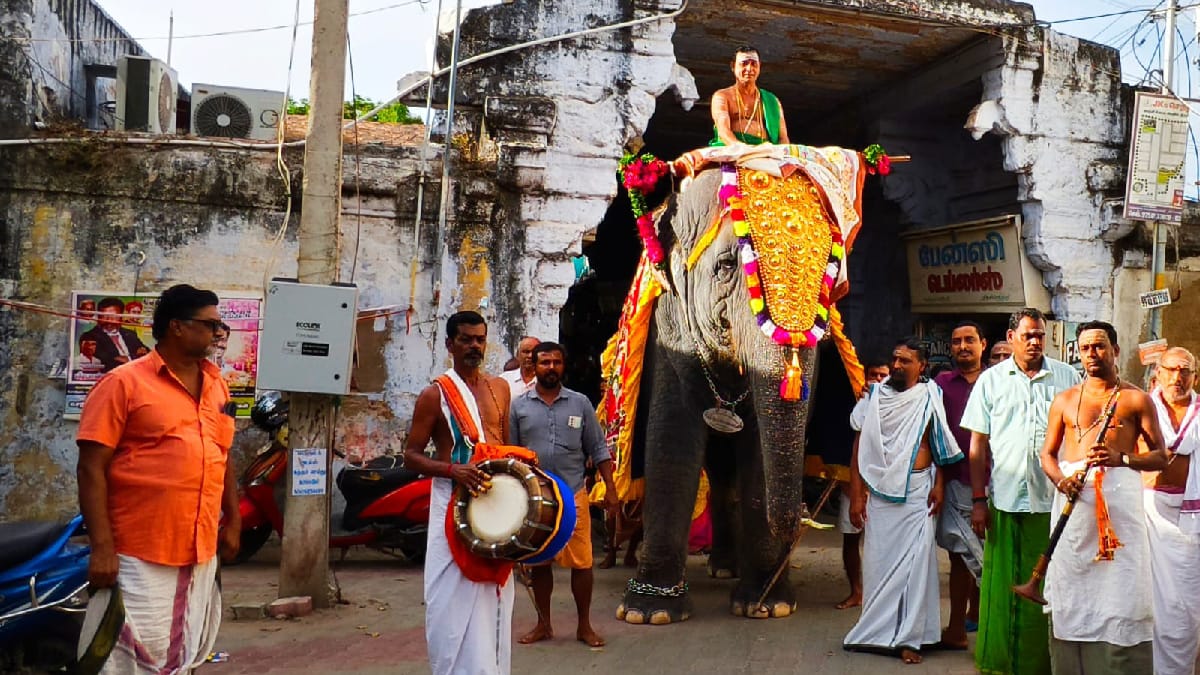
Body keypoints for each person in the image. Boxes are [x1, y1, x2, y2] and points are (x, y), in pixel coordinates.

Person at [75, 284, 239, 672]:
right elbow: (90, 467)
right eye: (210, 324)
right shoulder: (123, 383)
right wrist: (102, 547)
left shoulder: (217, 384)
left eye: (220, 324)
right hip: (140, 550)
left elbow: (222, 453)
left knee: (183, 653)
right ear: (176, 327)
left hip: (200, 547)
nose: (218, 333)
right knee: (131, 656)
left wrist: (234, 520)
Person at [1039, 321, 1167, 674]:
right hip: (1074, 512)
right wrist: (1061, 480)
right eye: (1085, 349)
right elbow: (1047, 454)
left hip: (1120, 513)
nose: (1092, 354)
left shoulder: (1135, 399)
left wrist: (1121, 459)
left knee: (1121, 591)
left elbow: (1161, 456)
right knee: (1072, 591)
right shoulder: (1064, 400)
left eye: (1099, 346)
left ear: (1115, 350)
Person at [961, 308, 1080, 675]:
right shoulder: (991, 380)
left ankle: (1044, 665)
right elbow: (978, 447)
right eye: (1027, 335)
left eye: (1040, 335)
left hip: (1052, 502)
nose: (1034, 341)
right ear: (1011, 338)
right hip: (1005, 500)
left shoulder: (1067, 377)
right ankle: (997, 662)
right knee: (1000, 588)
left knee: (1050, 584)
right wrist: (979, 502)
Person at [402, 311, 514, 675]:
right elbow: (411, 456)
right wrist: (453, 470)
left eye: (480, 339)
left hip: (495, 507)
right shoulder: (435, 395)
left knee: (495, 603)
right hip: (451, 504)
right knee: (450, 607)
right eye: (465, 339)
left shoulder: (500, 388)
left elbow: (504, 445)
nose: (474, 346)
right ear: (450, 344)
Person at [844, 338, 963, 665]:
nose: (897, 366)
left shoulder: (930, 396)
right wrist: (856, 494)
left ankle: (912, 637)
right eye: (895, 359)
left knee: (916, 566)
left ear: (921, 366)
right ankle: (875, 633)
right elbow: (859, 447)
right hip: (880, 493)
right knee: (879, 563)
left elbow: (938, 443)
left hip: (918, 493)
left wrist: (939, 485)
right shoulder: (874, 396)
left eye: (905, 361)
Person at [509, 342, 618, 648]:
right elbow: (511, 454)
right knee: (540, 563)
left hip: (573, 494)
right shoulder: (519, 406)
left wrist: (611, 489)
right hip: (535, 498)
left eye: (557, 362)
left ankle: (585, 626)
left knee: (582, 563)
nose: (551, 368)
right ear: (534, 365)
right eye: (545, 362)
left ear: (563, 366)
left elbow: (598, 449)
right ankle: (543, 625)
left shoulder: (580, 403)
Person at [1141, 346, 1200, 675]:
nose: (1178, 377)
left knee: (1185, 605)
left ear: (1195, 376)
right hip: (1148, 514)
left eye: (1185, 371)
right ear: (1158, 374)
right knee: (1148, 600)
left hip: (1191, 521)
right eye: (1171, 370)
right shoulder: (1141, 408)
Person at [931, 321, 986, 650]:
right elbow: (933, 432)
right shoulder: (941, 384)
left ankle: (980, 616)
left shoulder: (996, 380)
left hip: (997, 479)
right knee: (959, 555)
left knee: (986, 554)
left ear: (983, 343)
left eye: (969, 340)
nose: (962, 346)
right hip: (955, 480)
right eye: (956, 341)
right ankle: (955, 628)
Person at [835, 359, 890, 610]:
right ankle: (856, 591)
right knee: (850, 537)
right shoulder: (858, 406)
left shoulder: (901, 403)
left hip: (888, 486)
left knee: (885, 542)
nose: (878, 380)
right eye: (874, 375)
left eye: (883, 375)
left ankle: (881, 595)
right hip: (853, 482)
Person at [710, 45, 790, 146]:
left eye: (754, 64)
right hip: (732, 150)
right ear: (733, 66)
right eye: (744, 64)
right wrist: (743, 150)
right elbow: (723, 131)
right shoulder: (722, 96)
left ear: (759, 66)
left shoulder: (772, 100)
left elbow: (783, 138)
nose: (749, 68)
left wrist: (779, 155)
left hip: (765, 152)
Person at [78, 297, 151, 372]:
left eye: (114, 316)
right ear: (98, 316)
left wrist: (140, 353)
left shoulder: (130, 334)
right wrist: (135, 357)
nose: (109, 320)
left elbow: (147, 354)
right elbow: (106, 361)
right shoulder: (89, 336)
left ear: (121, 317)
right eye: (105, 316)